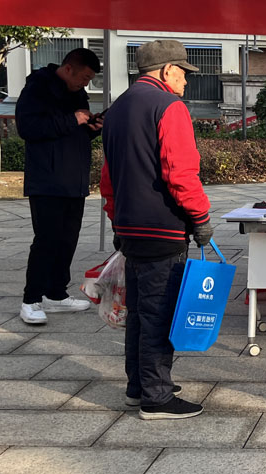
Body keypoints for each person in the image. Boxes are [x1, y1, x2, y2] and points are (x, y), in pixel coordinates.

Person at [99, 39, 211, 420]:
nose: (186, 82)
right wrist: (201, 218)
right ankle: (157, 396)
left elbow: (108, 179)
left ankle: (138, 386)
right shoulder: (168, 107)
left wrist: (116, 219)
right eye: (183, 73)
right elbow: (180, 173)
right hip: (163, 229)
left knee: (139, 312)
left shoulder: (116, 110)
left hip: (130, 229)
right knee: (160, 313)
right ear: (166, 71)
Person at [16, 47, 103, 326]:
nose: (85, 84)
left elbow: (72, 132)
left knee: (68, 239)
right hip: (47, 179)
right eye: (84, 77)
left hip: (73, 179)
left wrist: (91, 127)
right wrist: (71, 119)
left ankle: (56, 293)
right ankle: (31, 299)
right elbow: (28, 128)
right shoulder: (38, 87)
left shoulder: (77, 93)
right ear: (68, 69)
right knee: (47, 239)